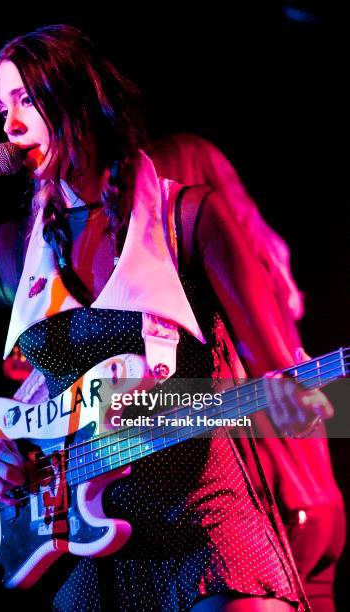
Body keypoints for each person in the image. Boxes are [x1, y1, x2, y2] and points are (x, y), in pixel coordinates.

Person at [0, 25, 331, 611]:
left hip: (207, 533)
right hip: (93, 556)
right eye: (2, 106)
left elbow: (282, 378)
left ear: (81, 100)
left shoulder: (189, 218)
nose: (8, 124)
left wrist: (296, 406)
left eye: (27, 99)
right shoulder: (5, 254)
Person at [148, 133, 346, 612]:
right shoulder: (265, 267)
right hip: (318, 491)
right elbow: (306, 394)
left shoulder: (184, 270)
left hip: (266, 498)